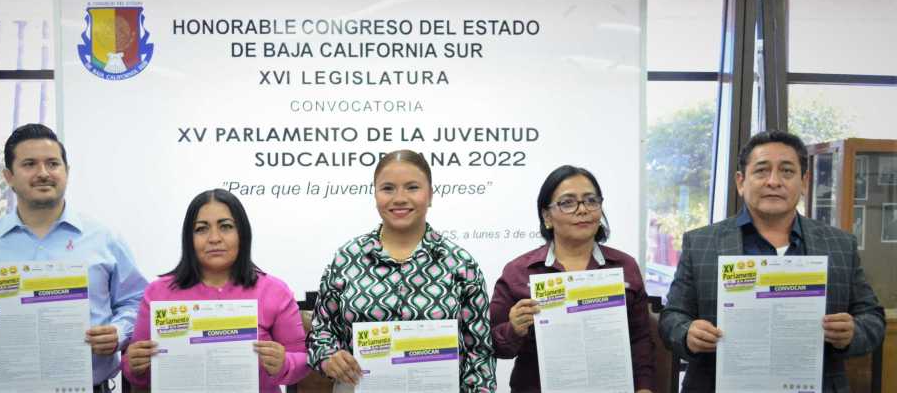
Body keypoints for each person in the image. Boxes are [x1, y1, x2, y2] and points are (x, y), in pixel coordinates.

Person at [659, 130, 885, 392]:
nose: (774, 181)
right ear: (741, 181)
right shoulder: (700, 243)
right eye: (761, 171)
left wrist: (852, 332)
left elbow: (873, 318)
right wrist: (687, 333)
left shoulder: (840, 245)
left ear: (804, 182)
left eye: (787, 171)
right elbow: (671, 317)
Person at [0, 123, 148, 392]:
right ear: (9, 176)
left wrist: (118, 332)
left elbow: (136, 301)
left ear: (66, 172)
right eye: (29, 164)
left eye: (52, 163)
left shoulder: (104, 238)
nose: (43, 173)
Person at [306, 150, 495, 392]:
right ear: (375, 195)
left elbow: (479, 352)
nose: (399, 198)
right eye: (387, 188)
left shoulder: (460, 264)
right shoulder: (347, 258)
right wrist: (328, 357)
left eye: (412, 187)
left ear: (430, 195)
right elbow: (320, 334)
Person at [122, 188, 309, 391]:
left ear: (242, 233)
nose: (214, 238)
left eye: (226, 227)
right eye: (201, 229)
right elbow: (133, 371)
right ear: (189, 238)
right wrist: (134, 364)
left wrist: (284, 363)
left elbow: (303, 360)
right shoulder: (158, 293)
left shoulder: (274, 291)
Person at [490, 165, 655, 392]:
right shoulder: (519, 271)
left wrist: (644, 387)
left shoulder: (624, 266)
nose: (582, 210)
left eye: (591, 200)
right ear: (547, 216)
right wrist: (514, 329)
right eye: (568, 203)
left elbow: (640, 340)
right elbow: (493, 346)